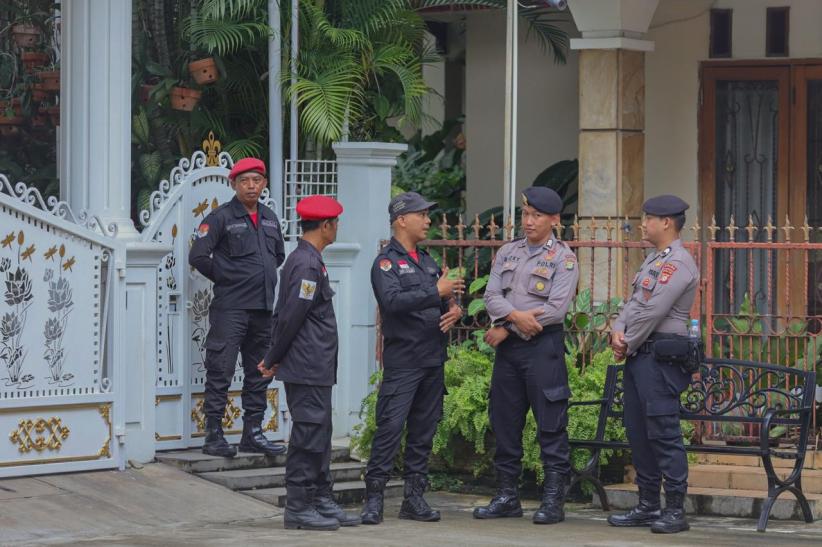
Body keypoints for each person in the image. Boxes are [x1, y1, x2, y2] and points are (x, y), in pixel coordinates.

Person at [474, 186, 579, 525]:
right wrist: (514, 320)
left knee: (550, 423)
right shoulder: (508, 252)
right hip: (510, 351)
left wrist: (508, 326)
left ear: (554, 220)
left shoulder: (564, 258)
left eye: (536, 216)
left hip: (543, 348)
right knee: (505, 421)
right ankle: (506, 495)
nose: (529, 222)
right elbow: (491, 296)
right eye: (526, 215)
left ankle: (552, 500)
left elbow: (555, 309)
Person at [360, 191, 465, 525]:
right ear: (402, 219)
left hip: (432, 358)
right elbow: (391, 303)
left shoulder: (429, 261)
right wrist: (436, 292)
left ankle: (414, 498)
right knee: (390, 427)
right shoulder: (385, 263)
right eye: (422, 214)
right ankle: (373, 498)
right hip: (404, 360)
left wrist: (454, 310)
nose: (428, 220)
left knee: (423, 431)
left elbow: (442, 301)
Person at [257, 195, 359, 531]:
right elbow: (290, 316)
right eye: (336, 223)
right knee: (308, 435)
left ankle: (319, 499)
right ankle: (299, 506)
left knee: (319, 433)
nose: (337, 228)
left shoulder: (311, 260)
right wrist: (273, 357)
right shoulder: (306, 264)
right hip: (306, 363)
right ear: (326, 226)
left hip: (315, 364)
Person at [608, 195, 699, 534]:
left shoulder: (679, 263)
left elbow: (654, 311)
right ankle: (647, 505)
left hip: (659, 358)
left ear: (666, 223)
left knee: (663, 433)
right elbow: (633, 304)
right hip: (639, 356)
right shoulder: (652, 261)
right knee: (639, 432)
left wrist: (627, 341)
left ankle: (674, 509)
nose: (642, 224)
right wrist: (618, 329)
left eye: (648, 218)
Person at [189, 157, 286, 458]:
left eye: (257, 180)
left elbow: (278, 256)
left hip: (262, 309)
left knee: (259, 371)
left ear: (264, 183)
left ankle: (252, 433)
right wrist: (229, 277)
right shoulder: (220, 218)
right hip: (231, 308)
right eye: (245, 181)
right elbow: (199, 256)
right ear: (234, 184)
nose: (251, 186)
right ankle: (213, 435)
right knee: (221, 369)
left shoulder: (270, 218)